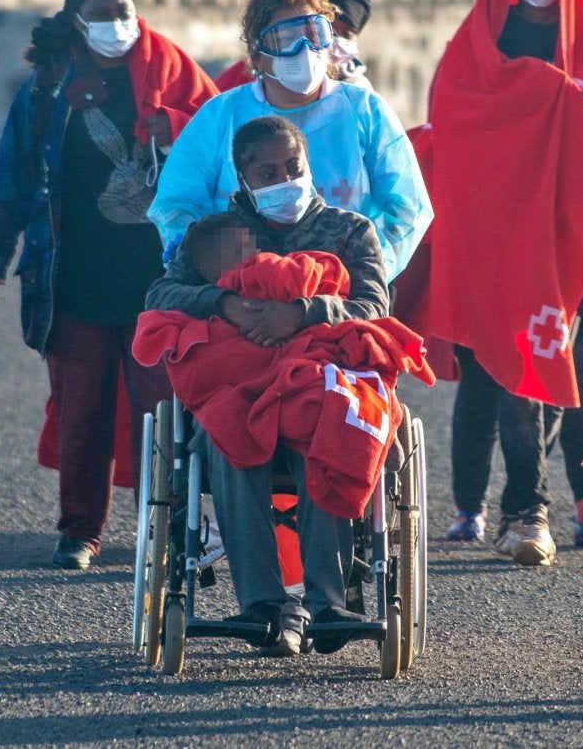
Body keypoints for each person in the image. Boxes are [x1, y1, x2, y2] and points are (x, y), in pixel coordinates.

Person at [141, 116, 432, 657]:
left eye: (293, 167)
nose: (285, 179)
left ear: (309, 167)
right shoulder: (216, 234)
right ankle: (262, 604)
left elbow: (373, 307)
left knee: (326, 424)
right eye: (268, 171)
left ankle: (328, 602)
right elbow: (161, 294)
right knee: (227, 436)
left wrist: (302, 314)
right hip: (242, 385)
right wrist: (221, 302)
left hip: (320, 381)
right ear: (244, 178)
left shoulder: (349, 231)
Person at [405, 0, 583, 562]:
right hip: (501, 241)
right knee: (515, 382)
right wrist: (542, 93)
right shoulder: (481, 40)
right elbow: (452, 116)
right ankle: (524, 513)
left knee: (575, 381)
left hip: (572, 236)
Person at [0, 0, 218, 571]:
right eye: (103, 14)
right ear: (77, 21)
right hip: (73, 277)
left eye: (125, 11)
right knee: (80, 412)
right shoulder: (48, 88)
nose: (118, 24)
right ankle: (79, 531)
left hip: (157, 282)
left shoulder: (176, 70)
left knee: (162, 414)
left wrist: (175, 130)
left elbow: (221, 151)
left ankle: (166, 529)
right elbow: (17, 174)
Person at [148, 0, 430, 283]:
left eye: (316, 34)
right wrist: (210, 269)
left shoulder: (366, 111)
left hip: (343, 290)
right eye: (287, 39)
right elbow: (177, 203)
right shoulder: (220, 116)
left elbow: (409, 207)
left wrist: (364, 269)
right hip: (241, 290)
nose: (305, 50)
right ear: (256, 55)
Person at [213, 0, 374, 91]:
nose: (335, 41)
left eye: (346, 35)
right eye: (328, 29)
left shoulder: (362, 102)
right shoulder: (240, 84)